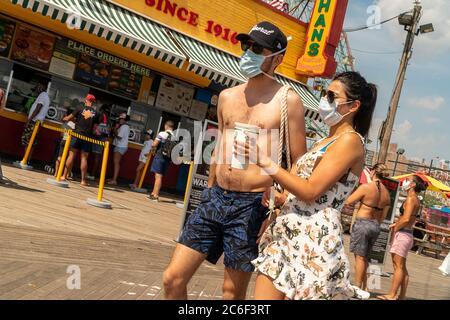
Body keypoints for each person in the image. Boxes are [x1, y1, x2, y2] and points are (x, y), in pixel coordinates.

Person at [163, 21, 307, 300]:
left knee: (231, 292)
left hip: (252, 205)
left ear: (277, 58)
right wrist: (209, 189)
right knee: (172, 279)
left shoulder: (287, 101)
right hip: (215, 197)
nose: (248, 53)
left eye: (256, 48)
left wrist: (278, 207)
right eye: (246, 45)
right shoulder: (227, 96)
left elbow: (299, 163)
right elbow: (219, 148)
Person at [236, 71, 378, 300]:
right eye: (324, 93)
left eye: (332, 96)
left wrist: (264, 161)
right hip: (286, 233)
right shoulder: (324, 141)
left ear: (353, 106)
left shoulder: (350, 141)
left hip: (313, 242)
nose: (325, 100)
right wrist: (280, 197)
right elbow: (300, 188)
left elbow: (311, 190)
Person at [378, 175, 427, 300]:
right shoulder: (414, 199)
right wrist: (397, 224)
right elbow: (409, 218)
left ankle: (392, 294)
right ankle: (402, 295)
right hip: (406, 233)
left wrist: (396, 227)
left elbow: (405, 219)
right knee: (402, 267)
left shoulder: (411, 198)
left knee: (398, 266)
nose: (405, 182)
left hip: (403, 234)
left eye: (408, 180)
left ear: (413, 185)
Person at [345, 163, 391, 290]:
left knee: (359, 258)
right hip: (375, 226)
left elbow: (349, 201)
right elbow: (382, 218)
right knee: (365, 258)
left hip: (363, 224)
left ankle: (358, 287)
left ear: (373, 172)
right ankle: (366, 287)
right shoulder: (387, 194)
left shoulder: (366, 187)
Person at [61, 94, 100, 186]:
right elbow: (95, 129)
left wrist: (63, 119)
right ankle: (83, 180)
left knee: (71, 155)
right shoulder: (97, 113)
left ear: (86, 100)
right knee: (84, 158)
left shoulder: (79, 107)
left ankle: (64, 176)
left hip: (76, 134)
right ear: (93, 102)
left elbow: (69, 118)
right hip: (87, 137)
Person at [147, 120, 176, 201]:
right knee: (159, 176)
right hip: (167, 159)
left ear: (166, 126)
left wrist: (152, 150)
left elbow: (154, 144)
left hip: (159, 157)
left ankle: (155, 195)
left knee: (158, 176)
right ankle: (153, 193)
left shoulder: (162, 133)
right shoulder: (175, 137)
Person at [20, 83, 50, 156]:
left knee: (27, 141)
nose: (35, 91)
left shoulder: (43, 95)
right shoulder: (45, 96)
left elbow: (38, 109)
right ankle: (27, 161)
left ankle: (25, 160)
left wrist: (29, 120)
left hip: (33, 122)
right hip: (36, 123)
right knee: (31, 142)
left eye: (36, 88)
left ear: (40, 88)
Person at [88, 104, 111, 180]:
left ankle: (92, 175)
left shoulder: (101, 115)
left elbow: (96, 123)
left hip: (99, 137)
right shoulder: (109, 118)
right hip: (104, 138)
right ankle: (95, 174)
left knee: (97, 157)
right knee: (98, 157)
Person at [107, 113, 130, 185]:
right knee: (116, 163)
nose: (120, 120)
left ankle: (114, 180)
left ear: (125, 120)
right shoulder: (124, 126)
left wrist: (115, 129)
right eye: (120, 119)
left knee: (116, 163)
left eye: (121, 119)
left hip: (120, 146)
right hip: (121, 146)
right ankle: (113, 178)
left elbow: (119, 137)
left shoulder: (124, 127)